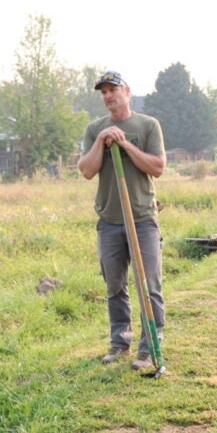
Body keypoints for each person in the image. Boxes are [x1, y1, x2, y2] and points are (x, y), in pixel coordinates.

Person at [77, 70, 167, 370]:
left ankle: (150, 345)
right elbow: (87, 170)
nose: (108, 96)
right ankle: (120, 342)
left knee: (148, 284)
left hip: (142, 218)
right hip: (110, 220)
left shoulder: (147, 125)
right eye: (103, 92)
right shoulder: (95, 129)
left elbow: (157, 167)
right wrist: (102, 141)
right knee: (114, 285)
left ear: (127, 92)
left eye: (113, 90)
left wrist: (125, 145)